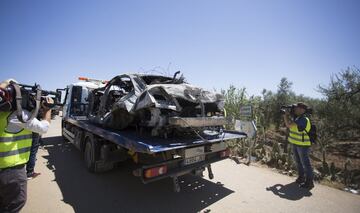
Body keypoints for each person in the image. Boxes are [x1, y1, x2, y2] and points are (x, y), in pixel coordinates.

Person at [0, 79, 53, 213]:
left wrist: (6, 82)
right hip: (11, 171)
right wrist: (48, 110)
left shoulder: (3, 114)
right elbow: (44, 128)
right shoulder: (20, 115)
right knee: (15, 204)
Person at [283, 102, 314, 190]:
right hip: (296, 143)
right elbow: (292, 125)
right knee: (298, 162)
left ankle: (309, 182)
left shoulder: (304, 119)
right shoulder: (298, 118)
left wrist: (285, 115)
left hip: (303, 145)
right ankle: (301, 178)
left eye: (297, 108)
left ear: (302, 110)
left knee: (305, 163)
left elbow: (289, 125)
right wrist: (289, 115)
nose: (295, 109)